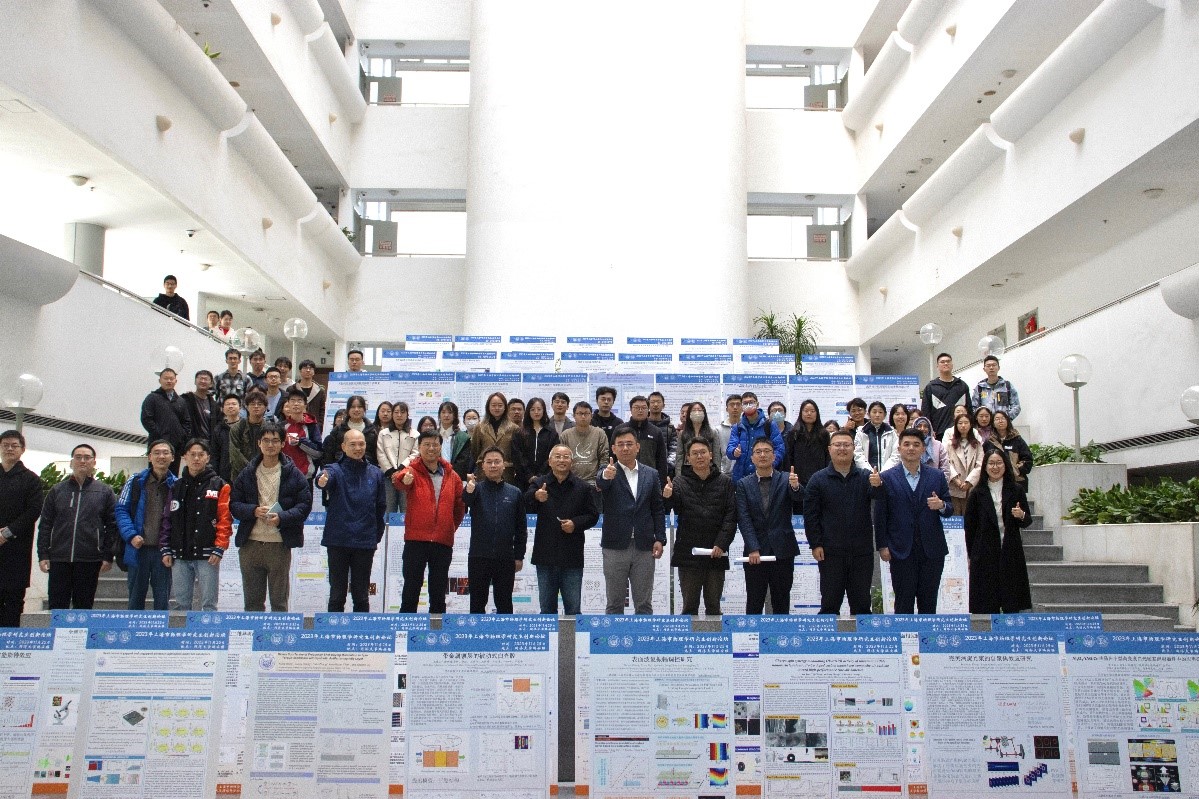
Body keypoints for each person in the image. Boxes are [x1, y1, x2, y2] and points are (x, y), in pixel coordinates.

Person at [230, 422, 312, 612]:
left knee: (279, 603)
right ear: (259, 443)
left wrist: (282, 517)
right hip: (250, 544)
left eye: (275, 441)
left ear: (283, 444)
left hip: (279, 544)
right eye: (265, 440)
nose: (270, 445)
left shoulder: (294, 474)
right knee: (252, 604)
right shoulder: (247, 473)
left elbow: (304, 506)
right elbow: (234, 504)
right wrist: (252, 510)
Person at [873, 428, 954, 614]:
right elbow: (880, 515)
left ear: (923, 449)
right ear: (899, 448)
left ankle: (927, 634)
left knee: (929, 603)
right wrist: (882, 545)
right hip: (900, 550)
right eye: (907, 444)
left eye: (916, 445)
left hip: (931, 550)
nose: (911, 448)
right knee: (903, 603)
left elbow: (950, 508)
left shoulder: (937, 476)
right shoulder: (886, 478)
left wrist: (941, 505)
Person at [803, 430, 879, 616]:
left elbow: (879, 499)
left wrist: (878, 486)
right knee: (829, 605)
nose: (842, 449)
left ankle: (861, 635)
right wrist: (815, 544)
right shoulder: (818, 479)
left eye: (847, 445)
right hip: (830, 553)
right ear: (829, 449)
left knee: (862, 606)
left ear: (854, 449)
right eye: (838, 445)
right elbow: (811, 516)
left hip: (861, 552)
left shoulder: (865, 477)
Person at [38, 444, 117, 610]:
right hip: (59, 558)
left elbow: (112, 526)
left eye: (87, 457)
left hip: (89, 558)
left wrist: (107, 555)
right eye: (78, 457)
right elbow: (45, 524)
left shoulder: (104, 492)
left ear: (94, 462)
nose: (82, 461)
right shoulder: (57, 490)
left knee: (83, 608)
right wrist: (43, 553)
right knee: (57, 607)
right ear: (71, 462)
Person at [394, 430, 466, 613]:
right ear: (419, 447)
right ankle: (407, 629)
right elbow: (398, 482)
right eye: (426, 444)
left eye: (435, 444)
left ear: (441, 447)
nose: (431, 448)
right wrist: (405, 479)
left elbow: (459, 508)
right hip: (415, 540)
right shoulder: (412, 470)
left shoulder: (452, 476)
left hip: (442, 542)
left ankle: (437, 629)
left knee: (438, 593)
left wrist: (448, 528)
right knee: (411, 590)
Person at [596, 427, 666, 614]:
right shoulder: (608, 471)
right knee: (614, 604)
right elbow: (600, 482)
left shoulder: (651, 474)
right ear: (613, 448)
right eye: (620, 445)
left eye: (629, 444)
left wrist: (660, 538)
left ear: (637, 447)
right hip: (615, 546)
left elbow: (657, 509)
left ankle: (643, 635)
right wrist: (606, 476)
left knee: (644, 605)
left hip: (644, 546)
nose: (625, 448)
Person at [316, 429, 387, 612]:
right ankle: (332, 629)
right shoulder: (334, 469)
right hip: (338, 541)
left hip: (364, 541)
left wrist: (375, 535)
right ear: (343, 447)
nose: (357, 448)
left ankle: (361, 629)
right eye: (353, 444)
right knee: (337, 594)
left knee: (361, 596)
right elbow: (324, 478)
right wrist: (322, 481)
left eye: (361, 444)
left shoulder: (375, 473)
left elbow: (381, 507)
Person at [666, 438, 736, 616]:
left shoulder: (725, 482)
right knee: (689, 608)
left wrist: (721, 544)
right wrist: (668, 497)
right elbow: (675, 508)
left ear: (711, 455)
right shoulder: (679, 482)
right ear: (688, 458)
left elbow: (730, 516)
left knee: (714, 608)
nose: (699, 456)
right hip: (688, 554)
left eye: (703, 452)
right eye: (695, 453)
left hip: (716, 552)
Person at [526, 445, 599, 615]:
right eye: (557, 457)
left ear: (572, 462)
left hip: (572, 556)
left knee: (573, 610)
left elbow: (593, 515)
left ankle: (572, 635)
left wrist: (575, 524)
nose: (561, 460)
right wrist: (536, 496)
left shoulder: (582, 487)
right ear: (549, 461)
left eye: (566, 457)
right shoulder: (539, 483)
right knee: (547, 610)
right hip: (545, 556)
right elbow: (525, 502)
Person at [161, 439, 231, 611]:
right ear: (185, 457)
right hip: (179, 553)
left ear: (208, 457)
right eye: (192, 454)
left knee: (209, 605)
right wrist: (165, 548)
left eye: (201, 454)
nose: (196, 458)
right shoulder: (176, 486)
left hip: (208, 554)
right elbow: (167, 519)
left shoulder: (219, 485)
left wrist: (219, 547)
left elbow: (225, 519)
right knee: (181, 605)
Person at [735, 437, 803, 614]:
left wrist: (796, 487)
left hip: (783, 550)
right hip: (755, 552)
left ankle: (781, 632)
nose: (763, 455)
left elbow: (799, 499)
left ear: (774, 456)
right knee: (754, 602)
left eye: (767, 451)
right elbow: (743, 518)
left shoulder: (786, 479)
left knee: (781, 602)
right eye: (758, 452)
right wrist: (753, 547)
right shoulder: (743, 484)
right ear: (752, 458)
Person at [964, 449, 1033, 614]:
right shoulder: (976, 493)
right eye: (991, 463)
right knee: (987, 601)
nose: (995, 467)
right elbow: (970, 527)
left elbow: (1027, 521)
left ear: (1005, 465)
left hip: (1010, 549)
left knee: (1012, 600)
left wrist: (1021, 515)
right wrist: (972, 555)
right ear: (985, 467)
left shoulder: (1016, 490)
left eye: (999, 463)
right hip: (984, 551)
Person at [115, 440, 177, 610]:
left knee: (162, 601)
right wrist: (131, 535)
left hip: (164, 552)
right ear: (149, 457)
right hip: (138, 549)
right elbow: (121, 510)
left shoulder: (177, 484)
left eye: (166, 453)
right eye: (156, 453)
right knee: (135, 600)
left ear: (172, 457)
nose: (161, 456)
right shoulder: (135, 482)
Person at [463, 448, 527, 614]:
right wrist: (468, 490)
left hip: (505, 557)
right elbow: (465, 503)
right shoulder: (475, 489)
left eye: (497, 462)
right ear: (482, 466)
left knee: (505, 605)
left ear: (504, 465)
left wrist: (519, 556)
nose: (493, 465)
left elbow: (521, 529)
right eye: (489, 462)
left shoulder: (515, 493)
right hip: (478, 556)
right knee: (477, 604)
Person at [0, 431, 43, 626]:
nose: (9, 449)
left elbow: (33, 511)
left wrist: (7, 533)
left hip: (16, 548)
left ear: (22, 449)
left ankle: (9, 641)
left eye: (14, 445)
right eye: (5, 445)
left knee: (13, 600)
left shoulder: (31, 479)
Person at [782, 399, 830, 509]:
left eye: (812, 411)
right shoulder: (794, 433)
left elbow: (827, 457)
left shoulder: (824, 434)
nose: (809, 413)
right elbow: (789, 457)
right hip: (798, 480)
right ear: (801, 413)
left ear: (817, 413)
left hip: (819, 479)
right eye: (806, 411)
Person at [140, 368, 191, 470]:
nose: (169, 381)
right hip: (157, 444)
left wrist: (180, 436)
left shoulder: (181, 401)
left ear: (176, 381)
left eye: (171, 379)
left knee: (173, 474)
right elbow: (146, 419)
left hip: (175, 446)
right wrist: (159, 434)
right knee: (155, 472)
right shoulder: (152, 398)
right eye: (166, 378)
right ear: (160, 380)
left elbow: (187, 422)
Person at [726, 392, 783, 481]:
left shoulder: (769, 425)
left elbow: (779, 448)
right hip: (741, 477)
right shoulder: (737, 427)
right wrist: (734, 452)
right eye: (745, 403)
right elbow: (730, 448)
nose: (748, 405)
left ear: (757, 404)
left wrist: (771, 464)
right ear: (742, 406)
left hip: (764, 477)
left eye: (751, 402)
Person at [921, 352, 972, 439]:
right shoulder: (931, 387)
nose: (945, 363)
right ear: (937, 366)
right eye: (942, 362)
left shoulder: (962, 385)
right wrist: (929, 429)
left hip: (961, 432)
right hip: (939, 433)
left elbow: (969, 409)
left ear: (952, 365)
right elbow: (926, 411)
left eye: (948, 361)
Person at [470, 392, 519, 483]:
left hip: (506, 473)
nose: (497, 408)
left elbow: (516, 453)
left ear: (505, 407)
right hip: (484, 473)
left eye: (500, 405)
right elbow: (475, 451)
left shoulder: (514, 428)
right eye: (493, 405)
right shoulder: (479, 427)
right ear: (488, 407)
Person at [559, 401, 609, 489]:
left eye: (586, 413)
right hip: (570, 483)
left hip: (593, 483)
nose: (583, 416)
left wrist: (600, 480)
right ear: (574, 416)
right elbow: (561, 459)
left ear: (591, 416)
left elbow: (604, 458)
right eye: (580, 413)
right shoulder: (565, 435)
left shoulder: (599, 433)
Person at [513, 397, 559, 488]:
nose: (536, 412)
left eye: (539, 409)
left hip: (546, 479)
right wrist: (529, 475)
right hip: (523, 479)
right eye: (533, 409)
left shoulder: (551, 433)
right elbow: (517, 456)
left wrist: (540, 476)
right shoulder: (519, 432)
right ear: (528, 411)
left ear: (544, 411)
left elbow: (553, 455)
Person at [323, 395, 379, 468]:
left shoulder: (372, 431)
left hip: (366, 469)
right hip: (341, 469)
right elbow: (329, 454)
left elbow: (375, 455)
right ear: (348, 409)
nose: (356, 410)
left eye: (359, 407)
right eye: (353, 407)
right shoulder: (338, 429)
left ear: (364, 409)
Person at [279, 390, 323, 481]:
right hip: (284, 475)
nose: (296, 404)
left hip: (306, 476)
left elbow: (319, 452)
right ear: (288, 405)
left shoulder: (312, 426)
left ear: (305, 405)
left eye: (299, 401)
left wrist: (300, 442)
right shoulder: (281, 426)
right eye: (292, 401)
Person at [375, 401, 411, 513]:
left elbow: (415, 454)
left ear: (407, 414)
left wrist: (401, 470)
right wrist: (391, 472)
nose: (399, 415)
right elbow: (380, 453)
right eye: (396, 412)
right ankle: (387, 526)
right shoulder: (383, 433)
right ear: (392, 414)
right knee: (388, 509)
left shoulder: (414, 434)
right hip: (388, 477)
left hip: (406, 477)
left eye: (402, 412)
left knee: (406, 508)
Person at [946, 413, 984, 515]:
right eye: (960, 423)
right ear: (956, 425)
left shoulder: (977, 444)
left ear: (971, 425)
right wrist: (956, 480)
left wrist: (969, 482)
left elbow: (980, 465)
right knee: (955, 518)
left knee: (970, 517)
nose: (963, 425)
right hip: (954, 487)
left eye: (966, 423)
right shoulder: (949, 444)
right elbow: (946, 463)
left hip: (971, 488)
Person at [626, 395, 668, 482]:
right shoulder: (622, 430)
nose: (640, 410)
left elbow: (661, 461)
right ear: (630, 409)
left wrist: (661, 483)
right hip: (625, 477)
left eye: (644, 408)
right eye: (637, 407)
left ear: (648, 409)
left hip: (649, 479)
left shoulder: (656, 432)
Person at [230, 391, 270, 479]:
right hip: (241, 476)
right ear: (247, 407)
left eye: (259, 404)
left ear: (265, 407)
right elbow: (235, 454)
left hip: (265, 475)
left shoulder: (270, 429)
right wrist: (252, 469)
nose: (256, 406)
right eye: (252, 404)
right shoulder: (237, 428)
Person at [988, 410, 1033, 486]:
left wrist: (1017, 470)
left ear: (1008, 421)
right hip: (996, 482)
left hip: (1016, 481)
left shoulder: (1017, 439)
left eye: (1003, 418)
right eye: (997, 419)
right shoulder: (989, 442)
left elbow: (1028, 459)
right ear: (993, 423)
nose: (1000, 421)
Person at [678, 401, 722, 476]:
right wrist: (678, 476)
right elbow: (679, 456)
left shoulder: (713, 433)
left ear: (704, 413)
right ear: (689, 414)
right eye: (694, 410)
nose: (697, 413)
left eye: (699, 410)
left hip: (708, 471)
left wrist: (717, 474)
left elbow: (717, 455)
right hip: (688, 471)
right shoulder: (682, 434)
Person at [972, 355, 1022, 420]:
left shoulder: (1007, 386)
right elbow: (974, 408)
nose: (991, 367)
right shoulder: (980, 388)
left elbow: (1016, 406)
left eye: (994, 365)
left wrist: (1006, 418)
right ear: (984, 369)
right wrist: (983, 419)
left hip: (1003, 424)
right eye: (988, 366)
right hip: (986, 424)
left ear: (998, 368)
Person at [854, 401, 897, 473]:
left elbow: (895, 455)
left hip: (887, 474)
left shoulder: (892, 432)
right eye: (874, 412)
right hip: (866, 474)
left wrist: (884, 473)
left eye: (880, 412)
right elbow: (858, 455)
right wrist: (870, 473)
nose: (877, 415)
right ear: (868, 414)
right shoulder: (861, 432)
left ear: (885, 415)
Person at [436, 401, 474, 480]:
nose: (446, 415)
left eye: (450, 412)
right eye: (443, 412)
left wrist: (449, 474)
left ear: (455, 416)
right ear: (439, 415)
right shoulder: (433, 435)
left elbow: (462, 463)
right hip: (435, 475)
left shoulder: (463, 437)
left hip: (455, 478)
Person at [210, 394, 242, 482]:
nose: (231, 406)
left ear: (240, 408)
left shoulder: (245, 427)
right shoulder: (218, 429)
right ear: (223, 409)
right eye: (227, 404)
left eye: (234, 404)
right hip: (224, 474)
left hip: (243, 473)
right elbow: (215, 455)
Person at [911, 415, 950, 486]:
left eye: (925, 426)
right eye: (919, 426)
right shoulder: (909, 445)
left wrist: (941, 486)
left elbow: (945, 468)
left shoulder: (938, 445)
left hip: (934, 484)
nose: (922, 429)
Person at [182, 370, 218, 442]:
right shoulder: (185, 400)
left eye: (206, 379)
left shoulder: (214, 405)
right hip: (191, 443)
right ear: (195, 382)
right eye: (200, 378)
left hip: (209, 443)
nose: (203, 381)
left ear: (211, 384)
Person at [294, 359, 327, 433]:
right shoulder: (292, 389)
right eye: (305, 368)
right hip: (295, 425)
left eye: (311, 368)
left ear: (314, 372)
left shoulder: (320, 391)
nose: (308, 370)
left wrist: (319, 425)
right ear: (300, 371)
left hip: (314, 427)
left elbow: (322, 410)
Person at [647, 391, 678, 470]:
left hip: (665, 469)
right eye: (652, 402)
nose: (655, 404)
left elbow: (674, 449)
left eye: (658, 402)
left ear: (663, 405)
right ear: (648, 405)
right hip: (645, 469)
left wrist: (667, 466)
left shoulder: (670, 427)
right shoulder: (642, 425)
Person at [714, 394, 742, 476]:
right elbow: (716, 454)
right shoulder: (718, 430)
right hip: (725, 473)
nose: (735, 407)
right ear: (726, 409)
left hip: (744, 472)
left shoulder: (747, 428)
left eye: (738, 404)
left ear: (742, 408)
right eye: (732, 405)